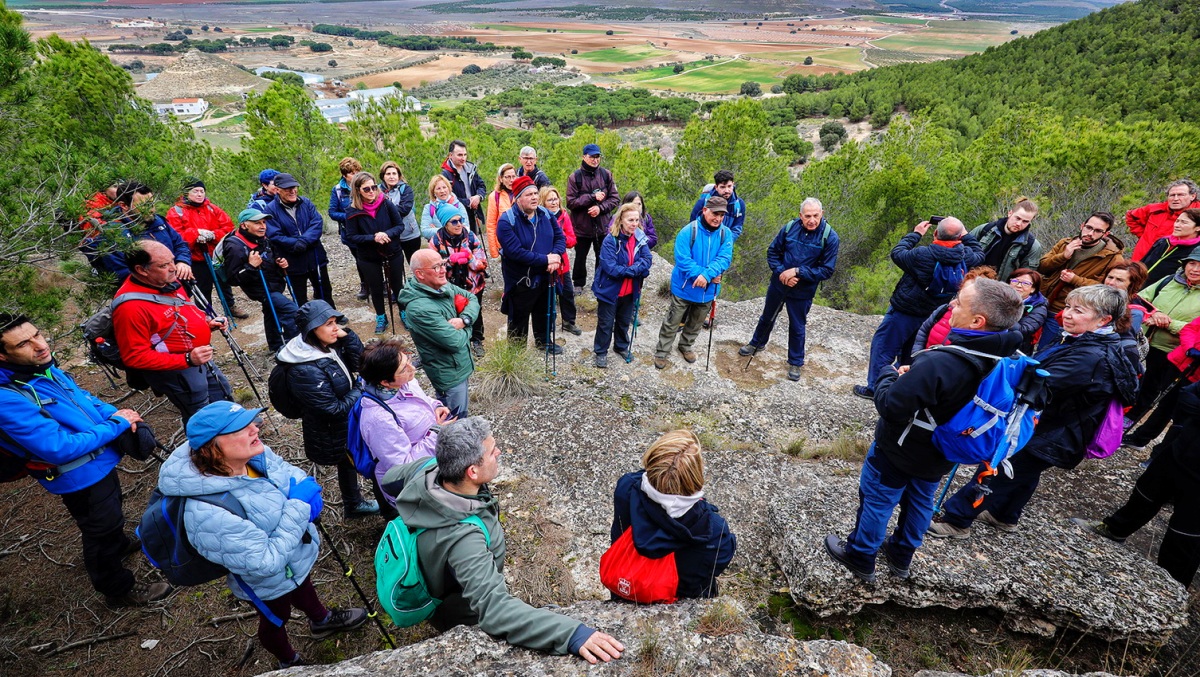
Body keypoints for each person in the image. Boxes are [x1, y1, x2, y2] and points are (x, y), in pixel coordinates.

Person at [824, 279, 1025, 582]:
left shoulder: (943, 361)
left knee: (879, 499)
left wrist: (888, 375)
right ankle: (901, 556)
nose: (951, 306)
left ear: (977, 321)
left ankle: (861, 555)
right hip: (945, 450)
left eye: (959, 302)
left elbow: (892, 407)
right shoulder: (1006, 358)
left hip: (902, 448)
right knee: (920, 500)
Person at [381, 417, 624, 664]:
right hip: (463, 611)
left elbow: (389, 479)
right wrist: (572, 634)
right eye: (491, 451)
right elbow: (495, 610)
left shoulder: (431, 470)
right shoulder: (463, 540)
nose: (498, 451)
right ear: (472, 471)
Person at [156, 401, 368, 668]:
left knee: (303, 584)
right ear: (213, 447)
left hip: (294, 555)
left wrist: (302, 486)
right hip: (263, 582)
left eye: (251, 422)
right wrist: (300, 506)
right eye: (240, 428)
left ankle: (321, 620)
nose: (255, 429)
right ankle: (289, 662)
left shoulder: (253, 455)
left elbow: (288, 471)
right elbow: (265, 563)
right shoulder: (206, 513)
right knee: (275, 618)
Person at [929, 285, 1139, 538]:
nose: (1068, 314)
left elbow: (1039, 386)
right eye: (1069, 307)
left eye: (1079, 311)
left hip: (1054, 431)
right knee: (1025, 473)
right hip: (1061, 430)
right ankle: (1004, 515)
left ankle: (956, 520)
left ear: (1104, 319)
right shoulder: (1086, 340)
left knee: (997, 467)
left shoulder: (1091, 356)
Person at [0, 314, 170, 607]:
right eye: (23, 344)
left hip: (99, 462)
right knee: (99, 531)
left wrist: (118, 414)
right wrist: (116, 425)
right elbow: (58, 448)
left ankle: (119, 544)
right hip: (77, 475)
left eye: (37, 334)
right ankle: (117, 589)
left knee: (111, 512)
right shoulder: (7, 398)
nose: (39, 345)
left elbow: (84, 398)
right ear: (3, 355)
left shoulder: (42, 369)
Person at [1072, 378, 1200, 589]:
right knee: (1145, 493)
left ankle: (1171, 588)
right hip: (1180, 448)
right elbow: (1187, 394)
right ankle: (1115, 529)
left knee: (1185, 534)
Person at [853, 217, 984, 399]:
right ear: (960, 237)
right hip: (931, 315)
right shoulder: (966, 256)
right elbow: (980, 253)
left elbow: (897, 252)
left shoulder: (922, 255)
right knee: (912, 353)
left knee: (884, 347)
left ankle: (875, 388)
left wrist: (916, 233)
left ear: (936, 233)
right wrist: (967, 236)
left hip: (905, 310)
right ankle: (899, 386)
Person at [275, 301, 377, 519]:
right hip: (332, 429)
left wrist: (347, 336)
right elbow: (332, 409)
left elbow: (360, 363)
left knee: (350, 462)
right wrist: (360, 387)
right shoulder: (304, 370)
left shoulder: (327, 345)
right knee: (350, 460)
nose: (335, 328)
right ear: (312, 329)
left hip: (346, 420)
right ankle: (355, 503)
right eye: (328, 324)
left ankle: (354, 503)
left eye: (335, 322)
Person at [112, 241, 232, 422]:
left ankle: (236, 428)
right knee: (201, 415)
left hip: (198, 357)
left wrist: (207, 323)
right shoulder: (130, 307)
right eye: (163, 265)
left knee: (222, 392)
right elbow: (134, 356)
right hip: (177, 369)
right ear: (141, 270)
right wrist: (186, 359)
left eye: (172, 261)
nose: (173, 268)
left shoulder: (166, 282)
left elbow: (179, 315)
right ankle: (212, 448)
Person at [609, 429, 736, 598]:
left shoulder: (627, 488)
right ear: (696, 476)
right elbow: (715, 566)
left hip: (626, 588)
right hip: (681, 607)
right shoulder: (715, 531)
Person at [738, 198, 840, 381]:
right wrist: (782, 273)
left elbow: (826, 270)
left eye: (816, 215)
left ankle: (795, 362)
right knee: (768, 316)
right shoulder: (789, 228)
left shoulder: (830, 237)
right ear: (801, 216)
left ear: (822, 214)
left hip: (803, 291)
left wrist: (798, 272)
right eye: (807, 216)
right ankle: (757, 344)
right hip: (779, 284)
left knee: (797, 326)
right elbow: (773, 252)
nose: (812, 220)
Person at [356, 338, 454, 517]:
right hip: (413, 484)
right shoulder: (378, 419)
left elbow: (422, 401)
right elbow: (402, 468)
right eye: (404, 368)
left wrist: (436, 406)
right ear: (384, 382)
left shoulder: (403, 382)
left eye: (408, 360)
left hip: (432, 463)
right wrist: (436, 433)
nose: (412, 368)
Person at [1122, 251, 1200, 451]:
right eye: (1192, 263)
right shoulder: (1169, 281)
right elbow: (1141, 299)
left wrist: (1169, 323)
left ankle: (1134, 428)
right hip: (1145, 340)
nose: (1195, 269)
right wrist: (1154, 313)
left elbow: (1195, 329)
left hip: (1176, 351)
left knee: (1156, 392)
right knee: (1133, 379)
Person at [653, 196, 733, 370]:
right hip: (683, 287)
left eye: (721, 215)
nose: (718, 218)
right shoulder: (688, 231)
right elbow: (682, 259)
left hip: (707, 290)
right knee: (673, 320)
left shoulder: (725, 234)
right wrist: (704, 275)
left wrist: (707, 276)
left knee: (696, 322)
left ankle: (686, 345)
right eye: (715, 213)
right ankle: (662, 351)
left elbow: (725, 258)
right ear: (705, 210)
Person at [398, 250, 480, 418]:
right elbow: (455, 342)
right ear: (419, 274)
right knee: (454, 421)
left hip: (458, 365)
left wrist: (464, 320)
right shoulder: (420, 309)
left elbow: (472, 299)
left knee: (457, 413)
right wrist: (469, 326)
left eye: (443, 264)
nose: (443, 270)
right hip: (448, 373)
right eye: (436, 267)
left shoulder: (440, 284)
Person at [1035, 212, 1125, 352]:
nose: (1090, 233)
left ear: (1106, 234)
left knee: (1046, 350)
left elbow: (1107, 289)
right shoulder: (1065, 243)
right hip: (1041, 302)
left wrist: (1075, 280)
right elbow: (1041, 267)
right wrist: (1063, 256)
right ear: (1082, 225)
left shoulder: (1112, 258)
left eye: (1097, 231)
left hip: (1066, 311)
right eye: (1088, 227)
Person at [496, 176, 566, 352]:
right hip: (521, 280)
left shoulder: (546, 215)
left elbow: (560, 238)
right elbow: (516, 252)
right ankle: (515, 354)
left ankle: (543, 342)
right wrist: (546, 260)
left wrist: (555, 256)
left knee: (544, 311)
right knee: (518, 317)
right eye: (529, 194)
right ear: (518, 198)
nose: (534, 197)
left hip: (546, 275)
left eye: (535, 193)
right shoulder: (506, 221)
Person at [165, 178, 249, 319]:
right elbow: (175, 236)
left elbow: (228, 229)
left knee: (224, 282)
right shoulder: (176, 212)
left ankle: (230, 306)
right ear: (186, 193)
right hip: (195, 257)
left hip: (216, 254)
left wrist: (213, 235)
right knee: (203, 287)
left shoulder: (212, 208)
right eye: (195, 191)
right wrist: (195, 234)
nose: (199, 194)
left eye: (202, 191)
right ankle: (206, 313)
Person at [82, 181, 194, 284]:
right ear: (124, 205)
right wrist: (162, 278)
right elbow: (123, 274)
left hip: (176, 288)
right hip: (146, 296)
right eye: (144, 206)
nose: (151, 210)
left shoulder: (158, 222)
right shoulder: (112, 233)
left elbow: (180, 244)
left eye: (152, 204)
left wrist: (182, 262)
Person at [222, 208, 299, 352]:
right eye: (257, 223)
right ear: (244, 225)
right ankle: (293, 346)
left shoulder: (262, 238)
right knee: (292, 311)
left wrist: (280, 262)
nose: (263, 226)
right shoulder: (235, 247)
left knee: (270, 311)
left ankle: (276, 345)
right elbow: (232, 278)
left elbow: (273, 255)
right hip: (261, 289)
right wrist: (251, 266)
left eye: (264, 222)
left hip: (273, 284)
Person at [343, 171, 406, 334]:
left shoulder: (386, 203)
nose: (371, 191)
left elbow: (399, 226)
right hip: (368, 257)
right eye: (366, 189)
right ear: (357, 191)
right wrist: (373, 237)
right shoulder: (351, 211)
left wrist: (387, 234)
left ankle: (404, 313)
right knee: (376, 288)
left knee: (398, 285)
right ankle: (380, 316)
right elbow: (352, 236)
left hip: (392, 252)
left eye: (373, 187)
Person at [592, 203, 653, 368]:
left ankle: (621, 346)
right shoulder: (610, 240)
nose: (634, 223)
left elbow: (647, 260)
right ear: (620, 221)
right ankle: (601, 352)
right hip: (609, 290)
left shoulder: (640, 238)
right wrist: (635, 271)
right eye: (630, 220)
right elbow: (610, 268)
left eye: (636, 220)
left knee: (624, 321)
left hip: (630, 290)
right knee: (606, 323)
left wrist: (632, 270)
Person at [264, 173, 334, 307]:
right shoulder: (270, 210)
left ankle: (331, 315)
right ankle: (307, 321)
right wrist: (296, 243)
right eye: (287, 188)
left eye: (294, 187)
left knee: (324, 289)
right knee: (299, 294)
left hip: (315, 255)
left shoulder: (306, 202)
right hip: (292, 258)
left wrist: (304, 241)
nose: (292, 191)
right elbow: (275, 235)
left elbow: (317, 223)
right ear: (277, 190)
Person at [429, 206, 488, 356]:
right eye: (453, 222)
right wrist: (449, 262)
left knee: (475, 311)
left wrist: (469, 258)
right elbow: (432, 267)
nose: (459, 224)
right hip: (448, 286)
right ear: (445, 224)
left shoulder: (471, 237)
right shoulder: (436, 241)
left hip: (473, 285)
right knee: (451, 312)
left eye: (460, 220)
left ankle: (477, 339)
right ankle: (457, 341)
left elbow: (482, 264)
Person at [566, 143, 619, 289]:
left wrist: (600, 208)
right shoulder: (574, 177)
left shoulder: (606, 175)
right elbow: (571, 202)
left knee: (601, 257)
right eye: (592, 157)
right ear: (584, 157)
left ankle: (599, 283)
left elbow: (615, 199)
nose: (595, 160)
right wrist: (591, 197)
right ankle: (578, 284)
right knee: (580, 257)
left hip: (602, 226)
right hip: (581, 227)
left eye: (597, 157)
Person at [911, 267, 999, 353]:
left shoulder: (982, 327)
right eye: (963, 290)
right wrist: (917, 354)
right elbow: (923, 331)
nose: (954, 303)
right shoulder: (944, 309)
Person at [968, 198, 1044, 282]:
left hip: (1001, 291)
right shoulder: (985, 229)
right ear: (1010, 213)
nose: (1019, 224)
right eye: (1017, 218)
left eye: (1025, 221)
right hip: (971, 282)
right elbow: (963, 252)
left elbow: (1026, 279)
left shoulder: (1032, 246)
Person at [1126, 179, 1200, 262]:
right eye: (1172, 195)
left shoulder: (1197, 215)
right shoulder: (1155, 209)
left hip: (1173, 264)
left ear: (1193, 196)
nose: (1175, 198)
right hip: (1140, 260)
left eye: (1181, 195)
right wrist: (1145, 237)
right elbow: (1131, 216)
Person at [329, 157, 369, 301]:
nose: (355, 175)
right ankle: (365, 284)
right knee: (359, 259)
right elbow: (332, 212)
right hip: (350, 233)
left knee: (374, 257)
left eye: (357, 171)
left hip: (368, 230)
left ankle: (380, 282)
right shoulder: (338, 190)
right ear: (345, 175)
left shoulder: (366, 186)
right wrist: (350, 216)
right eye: (352, 173)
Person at [542, 185, 581, 336]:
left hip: (563, 265)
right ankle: (548, 325)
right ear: (543, 202)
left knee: (567, 294)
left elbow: (572, 240)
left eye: (555, 198)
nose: (553, 202)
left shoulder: (564, 216)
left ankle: (568, 322)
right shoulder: (540, 217)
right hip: (547, 264)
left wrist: (560, 237)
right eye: (549, 200)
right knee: (548, 298)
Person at [1141, 207, 1200, 287]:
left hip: (1159, 292)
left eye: (1184, 222)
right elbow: (1142, 263)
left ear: (1198, 228)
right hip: (1136, 286)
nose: (1177, 225)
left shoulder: (1196, 251)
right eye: (1177, 221)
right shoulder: (1163, 241)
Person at [440, 140, 487, 236]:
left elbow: (481, 185)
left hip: (473, 213)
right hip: (456, 216)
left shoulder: (471, 169)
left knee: (473, 240)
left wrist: (478, 197)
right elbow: (447, 197)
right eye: (460, 155)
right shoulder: (446, 175)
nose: (463, 158)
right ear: (450, 155)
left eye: (465, 155)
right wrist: (469, 202)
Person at [379, 161, 422, 262]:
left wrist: (385, 212)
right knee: (394, 266)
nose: (391, 176)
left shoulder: (406, 189)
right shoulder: (377, 191)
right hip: (390, 235)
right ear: (383, 176)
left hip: (409, 234)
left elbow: (404, 209)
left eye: (394, 173)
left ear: (399, 175)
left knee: (415, 264)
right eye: (388, 174)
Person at [689, 170, 746, 241]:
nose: (727, 190)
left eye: (729, 186)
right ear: (716, 187)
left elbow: (736, 228)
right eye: (722, 187)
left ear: (733, 184)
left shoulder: (739, 205)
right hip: (702, 243)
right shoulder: (703, 202)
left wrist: (724, 243)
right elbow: (693, 226)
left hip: (724, 246)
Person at [420, 175, 470, 241]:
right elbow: (425, 231)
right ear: (433, 192)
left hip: (458, 244)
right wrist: (453, 229)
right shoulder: (429, 208)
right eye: (438, 188)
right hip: (438, 246)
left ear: (448, 188)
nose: (442, 191)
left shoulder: (458, 205)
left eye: (444, 187)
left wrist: (438, 230)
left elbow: (466, 229)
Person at [484, 163, 517, 259]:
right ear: (501, 179)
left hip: (521, 242)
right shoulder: (494, 196)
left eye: (513, 176)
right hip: (504, 244)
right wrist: (494, 252)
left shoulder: (521, 193)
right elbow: (491, 224)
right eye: (507, 177)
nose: (511, 180)